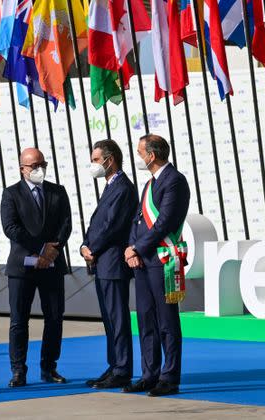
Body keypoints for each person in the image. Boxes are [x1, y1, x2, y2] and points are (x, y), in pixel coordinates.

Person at [123, 134, 190, 397]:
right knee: (146, 321)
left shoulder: (175, 181)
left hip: (162, 259)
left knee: (166, 322)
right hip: (142, 262)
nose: (139, 156)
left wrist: (138, 247)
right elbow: (137, 220)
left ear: (151, 155)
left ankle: (169, 376)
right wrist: (132, 249)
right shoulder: (150, 184)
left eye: (141, 152)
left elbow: (165, 222)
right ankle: (149, 374)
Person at [0, 148, 72, 388]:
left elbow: (66, 224)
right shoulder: (11, 194)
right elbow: (11, 228)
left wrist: (52, 250)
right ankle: (18, 370)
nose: (39, 169)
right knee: (19, 321)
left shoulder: (57, 191)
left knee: (54, 318)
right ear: (22, 168)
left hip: (52, 265)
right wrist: (40, 248)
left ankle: (49, 367)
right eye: (34, 165)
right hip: (22, 267)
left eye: (43, 163)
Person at [81, 140, 137, 389]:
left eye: (96, 160)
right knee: (109, 319)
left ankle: (123, 369)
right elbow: (97, 223)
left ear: (109, 159)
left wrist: (92, 248)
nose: (94, 164)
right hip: (103, 263)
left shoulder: (123, 187)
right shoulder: (110, 186)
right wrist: (84, 244)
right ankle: (114, 365)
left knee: (118, 318)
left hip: (113, 263)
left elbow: (112, 226)